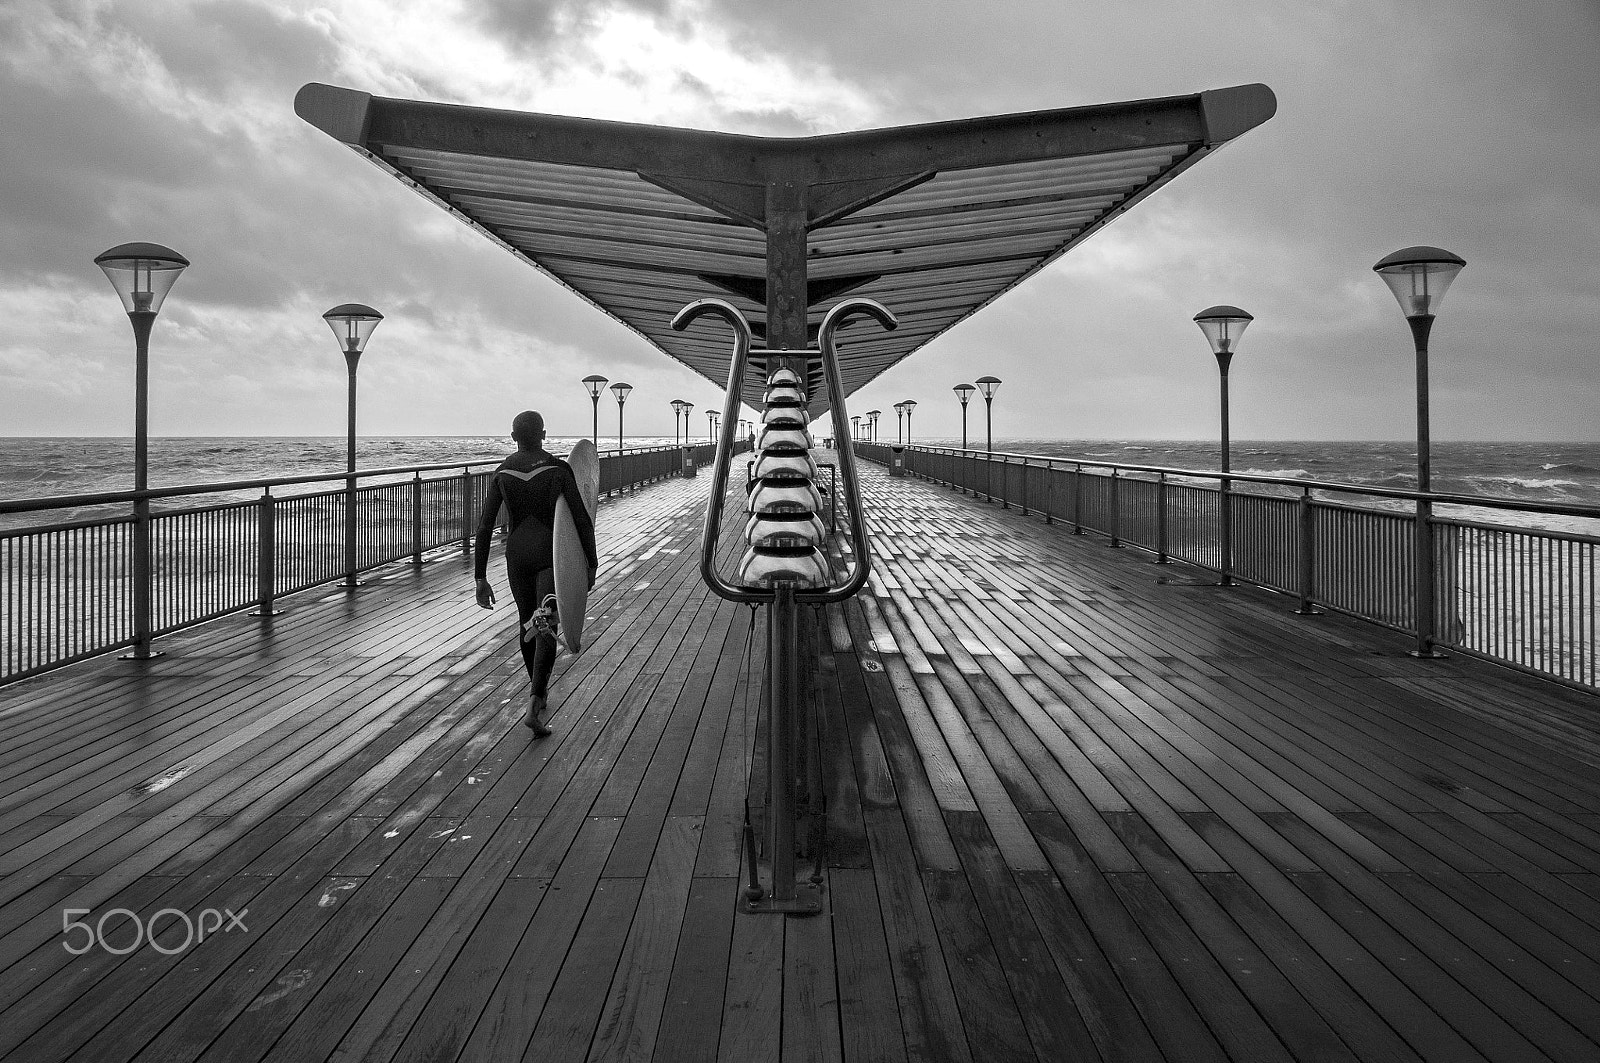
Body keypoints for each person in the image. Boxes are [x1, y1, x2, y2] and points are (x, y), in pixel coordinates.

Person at [473, 411, 597, 736]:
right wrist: (590, 563)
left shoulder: (502, 472)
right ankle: (536, 699)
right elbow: (582, 520)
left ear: (513, 437)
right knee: (546, 623)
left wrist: (480, 577)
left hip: (517, 556)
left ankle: (536, 694)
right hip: (546, 555)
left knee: (527, 622)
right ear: (544, 434)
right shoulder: (558, 470)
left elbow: (485, 527)